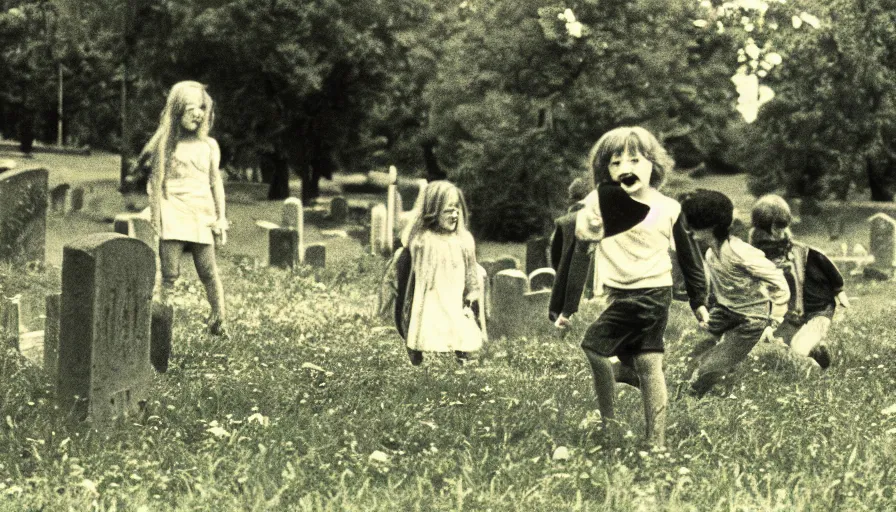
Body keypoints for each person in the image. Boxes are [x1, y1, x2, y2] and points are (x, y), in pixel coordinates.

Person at [573, 126, 709, 447]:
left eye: (634, 159)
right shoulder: (599, 201)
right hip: (619, 293)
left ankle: (609, 425)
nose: (625, 169)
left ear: (653, 165)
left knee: (594, 347)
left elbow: (691, 259)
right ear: (604, 171)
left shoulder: (668, 208)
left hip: (651, 293)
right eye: (615, 163)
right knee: (649, 363)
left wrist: (699, 300)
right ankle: (656, 442)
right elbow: (581, 236)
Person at [680, 189, 791, 396]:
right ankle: (719, 380)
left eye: (692, 224)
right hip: (726, 311)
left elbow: (778, 281)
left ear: (710, 225)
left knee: (710, 367)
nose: (688, 230)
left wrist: (774, 317)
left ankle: (695, 396)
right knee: (694, 353)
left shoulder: (741, 253)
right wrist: (709, 310)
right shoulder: (711, 254)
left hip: (751, 319)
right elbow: (716, 288)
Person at [141, 81, 229, 337]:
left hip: (202, 214)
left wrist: (221, 217)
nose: (197, 114)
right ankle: (159, 324)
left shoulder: (209, 146)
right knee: (170, 273)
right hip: (173, 212)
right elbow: (156, 184)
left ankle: (219, 319)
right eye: (190, 108)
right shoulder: (166, 145)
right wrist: (156, 219)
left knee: (209, 272)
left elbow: (216, 182)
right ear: (177, 110)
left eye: (201, 107)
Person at [748, 194, 850, 368]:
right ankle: (814, 350)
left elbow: (824, 263)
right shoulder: (754, 252)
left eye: (781, 228)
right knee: (782, 340)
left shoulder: (798, 250)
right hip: (789, 309)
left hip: (816, 306)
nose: (777, 234)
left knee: (798, 347)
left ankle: (813, 359)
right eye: (774, 228)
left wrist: (839, 289)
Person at [398, 181, 485, 366]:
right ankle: (423, 356)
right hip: (430, 298)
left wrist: (472, 293)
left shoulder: (463, 240)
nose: (454, 215)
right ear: (433, 211)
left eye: (457, 209)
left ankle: (460, 355)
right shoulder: (423, 240)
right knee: (430, 330)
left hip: (454, 297)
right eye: (448, 210)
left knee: (460, 329)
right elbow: (408, 239)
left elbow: (471, 271)